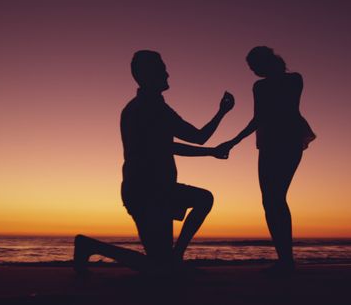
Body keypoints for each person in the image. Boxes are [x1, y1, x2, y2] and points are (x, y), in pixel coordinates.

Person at [74, 50, 233, 274]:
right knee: (161, 266)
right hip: (146, 191)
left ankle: (173, 257)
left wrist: (215, 137)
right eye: (162, 70)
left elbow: (192, 139)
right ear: (148, 75)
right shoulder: (146, 108)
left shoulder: (157, 108)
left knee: (162, 263)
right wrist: (220, 118)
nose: (167, 74)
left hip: (159, 190)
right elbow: (187, 141)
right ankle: (89, 245)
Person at [218, 46, 315, 274]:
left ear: (266, 62)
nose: (252, 70)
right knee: (270, 200)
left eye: (254, 65)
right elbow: (258, 119)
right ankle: (285, 259)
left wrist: (233, 141)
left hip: (288, 140)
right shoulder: (259, 86)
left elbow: (274, 112)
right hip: (270, 142)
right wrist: (233, 142)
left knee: (275, 198)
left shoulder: (293, 80)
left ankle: (286, 260)